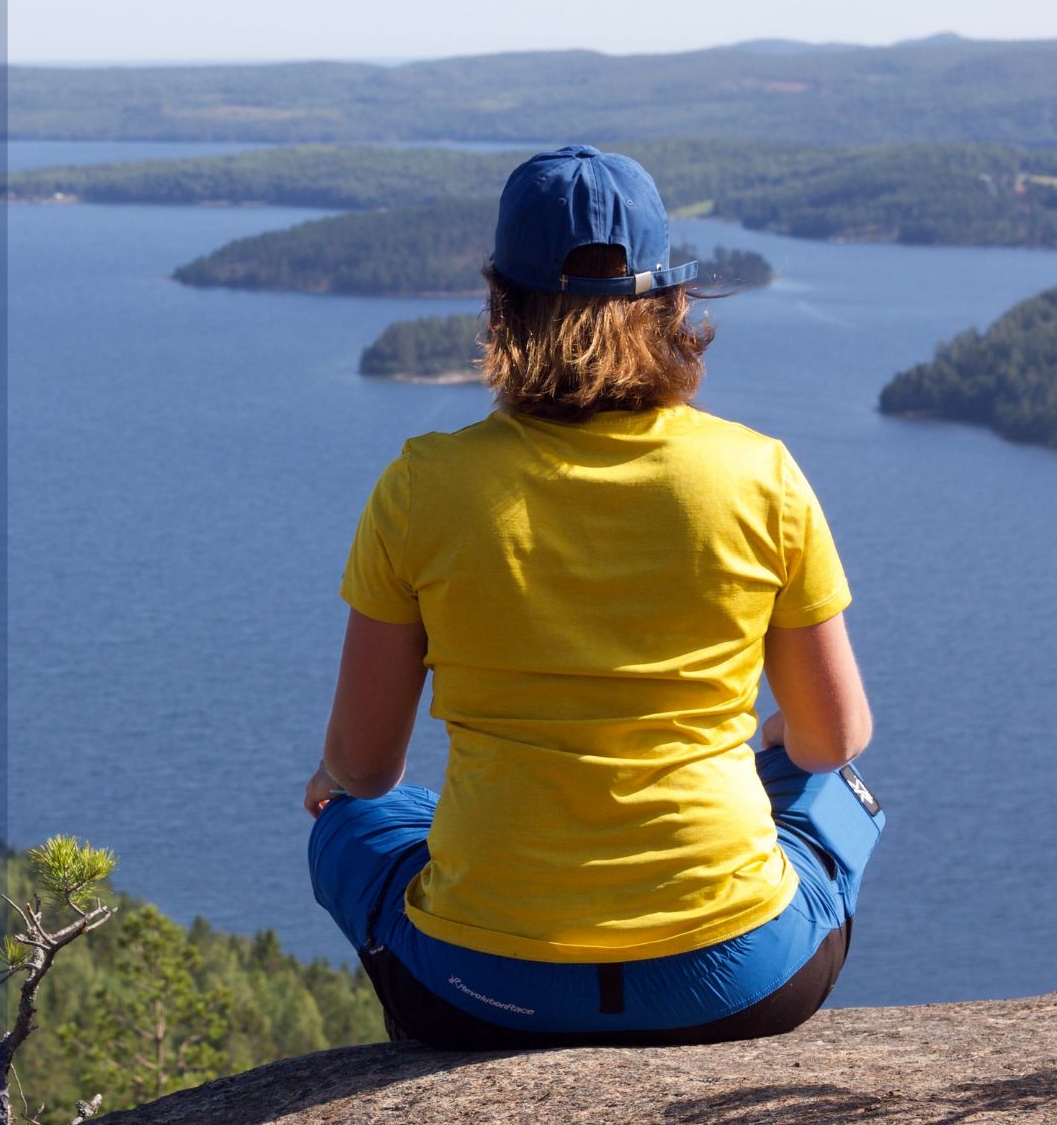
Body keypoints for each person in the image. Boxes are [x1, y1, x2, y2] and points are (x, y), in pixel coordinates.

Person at [304, 145, 883, 1048]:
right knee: (831, 789)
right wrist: (773, 738)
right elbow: (833, 738)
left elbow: (366, 767)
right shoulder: (757, 474)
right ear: (673, 305)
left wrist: (339, 782)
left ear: (503, 305)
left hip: (480, 987)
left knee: (356, 820)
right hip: (738, 978)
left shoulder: (424, 486)